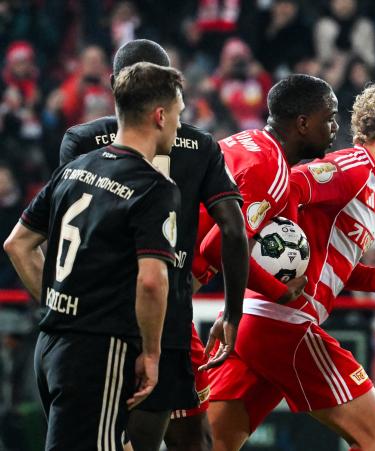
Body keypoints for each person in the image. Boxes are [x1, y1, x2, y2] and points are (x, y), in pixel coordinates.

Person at [203, 78, 375, 451]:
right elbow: (290, 184)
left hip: (256, 323)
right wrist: (277, 248)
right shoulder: (354, 168)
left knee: (215, 443)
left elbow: (317, 256)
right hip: (284, 323)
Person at [58, 39, 248, 451]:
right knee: (182, 440)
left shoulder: (81, 141)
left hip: (98, 325)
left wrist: (58, 306)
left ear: (113, 84)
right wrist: (233, 313)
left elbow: (52, 232)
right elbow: (234, 231)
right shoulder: (200, 145)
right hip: (168, 324)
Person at [3, 62, 184, 451]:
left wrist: (59, 307)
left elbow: (17, 244)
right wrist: (151, 355)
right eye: (179, 114)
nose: (179, 126)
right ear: (160, 115)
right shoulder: (154, 188)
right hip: (99, 349)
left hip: (50, 345)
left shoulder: (74, 169)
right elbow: (152, 281)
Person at [178, 73, 339, 438]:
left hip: (162, 275)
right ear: (302, 124)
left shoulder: (248, 141)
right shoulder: (270, 169)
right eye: (328, 117)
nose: (334, 127)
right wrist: (278, 291)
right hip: (171, 287)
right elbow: (217, 246)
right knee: (179, 430)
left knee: (183, 429)